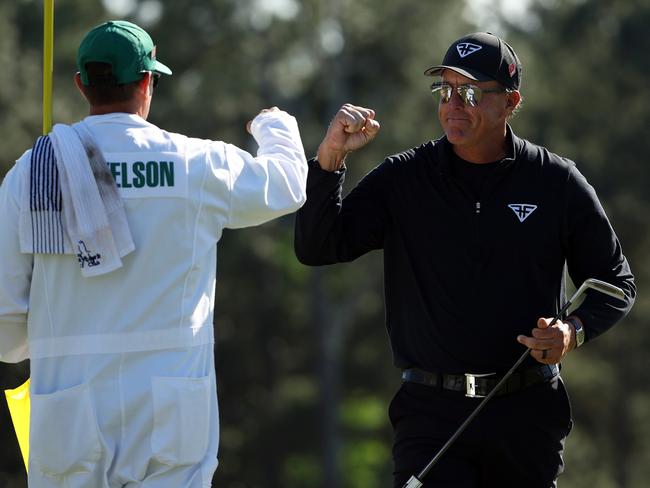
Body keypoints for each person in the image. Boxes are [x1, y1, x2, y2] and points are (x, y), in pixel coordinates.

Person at [294, 32, 635, 488]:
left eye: (471, 92)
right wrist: (331, 157)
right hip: (430, 418)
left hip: (526, 414)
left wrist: (572, 331)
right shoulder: (404, 179)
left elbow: (616, 282)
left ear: (510, 102)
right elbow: (319, 246)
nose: (454, 103)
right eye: (447, 90)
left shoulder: (555, 181)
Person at [0, 20, 307, 487]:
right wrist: (274, 125)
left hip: (69, 414)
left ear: (82, 84)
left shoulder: (31, 172)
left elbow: (5, 329)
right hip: (171, 413)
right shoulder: (196, 163)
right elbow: (286, 184)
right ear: (147, 81)